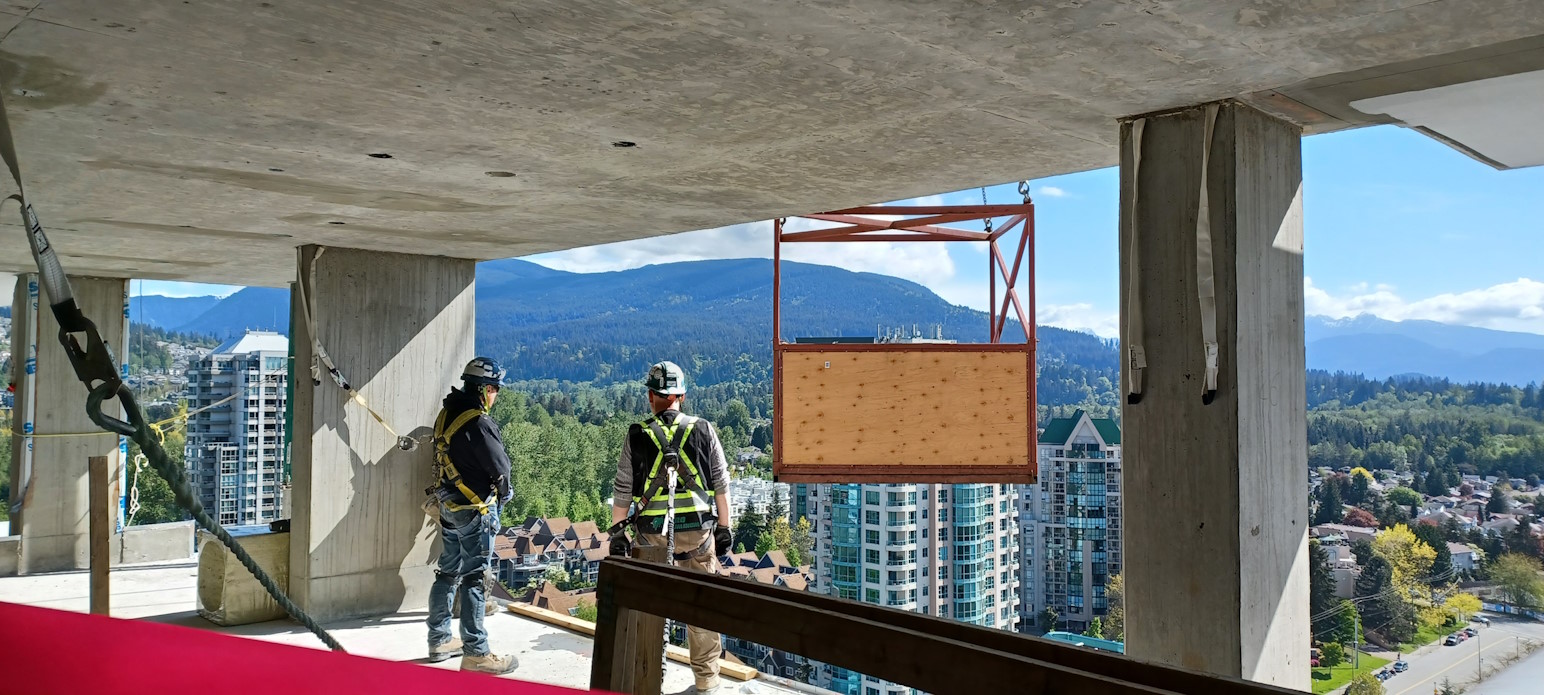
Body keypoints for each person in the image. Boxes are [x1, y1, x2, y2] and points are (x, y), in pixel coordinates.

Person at [612, 361, 733, 695]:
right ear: (681, 395)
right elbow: (722, 485)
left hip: (652, 534)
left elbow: (623, 490)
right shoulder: (703, 429)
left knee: (650, 607)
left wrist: (618, 533)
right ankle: (707, 682)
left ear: (651, 396)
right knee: (701, 605)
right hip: (697, 534)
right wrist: (724, 528)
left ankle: (645, 679)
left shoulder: (637, 435)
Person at [426, 357, 518, 675]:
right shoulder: (478, 422)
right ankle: (476, 653)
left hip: (449, 508)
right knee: (475, 578)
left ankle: (439, 640)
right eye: (494, 389)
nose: (495, 395)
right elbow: (501, 470)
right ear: (483, 389)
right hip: (474, 511)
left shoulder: (446, 414)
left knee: (447, 572)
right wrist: (504, 497)